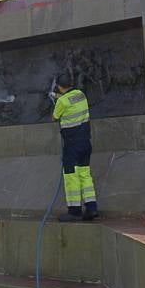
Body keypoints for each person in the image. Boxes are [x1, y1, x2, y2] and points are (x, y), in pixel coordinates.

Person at [51, 72, 98, 222]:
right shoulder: (80, 95)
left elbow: (54, 117)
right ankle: (91, 208)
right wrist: (57, 96)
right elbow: (69, 99)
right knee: (85, 174)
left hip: (72, 146)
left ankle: (74, 211)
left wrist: (54, 100)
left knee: (71, 176)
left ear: (59, 86)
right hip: (85, 143)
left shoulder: (61, 102)